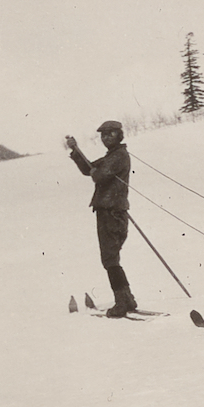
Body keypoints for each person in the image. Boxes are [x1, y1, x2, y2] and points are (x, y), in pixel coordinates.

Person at [66, 120, 137, 317]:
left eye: (110, 134)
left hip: (113, 212)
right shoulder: (112, 156)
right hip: (107, 211)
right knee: (110, 258)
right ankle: (127, 299)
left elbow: (98, 175)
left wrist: (95, 171)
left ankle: (123, 301)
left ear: (119, 135)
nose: (106, 138)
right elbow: (88, 169)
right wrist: (75, 151)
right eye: (103, 135)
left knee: (110, 258)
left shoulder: (119, 156)